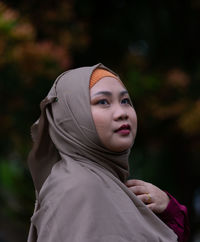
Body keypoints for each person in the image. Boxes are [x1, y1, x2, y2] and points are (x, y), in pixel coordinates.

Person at [28, 63, 189, 242]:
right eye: (102, 102)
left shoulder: (104, 182)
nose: (122, 113)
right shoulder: (80, 189)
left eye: (125, 101)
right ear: (72, 115)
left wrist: (169, 210)